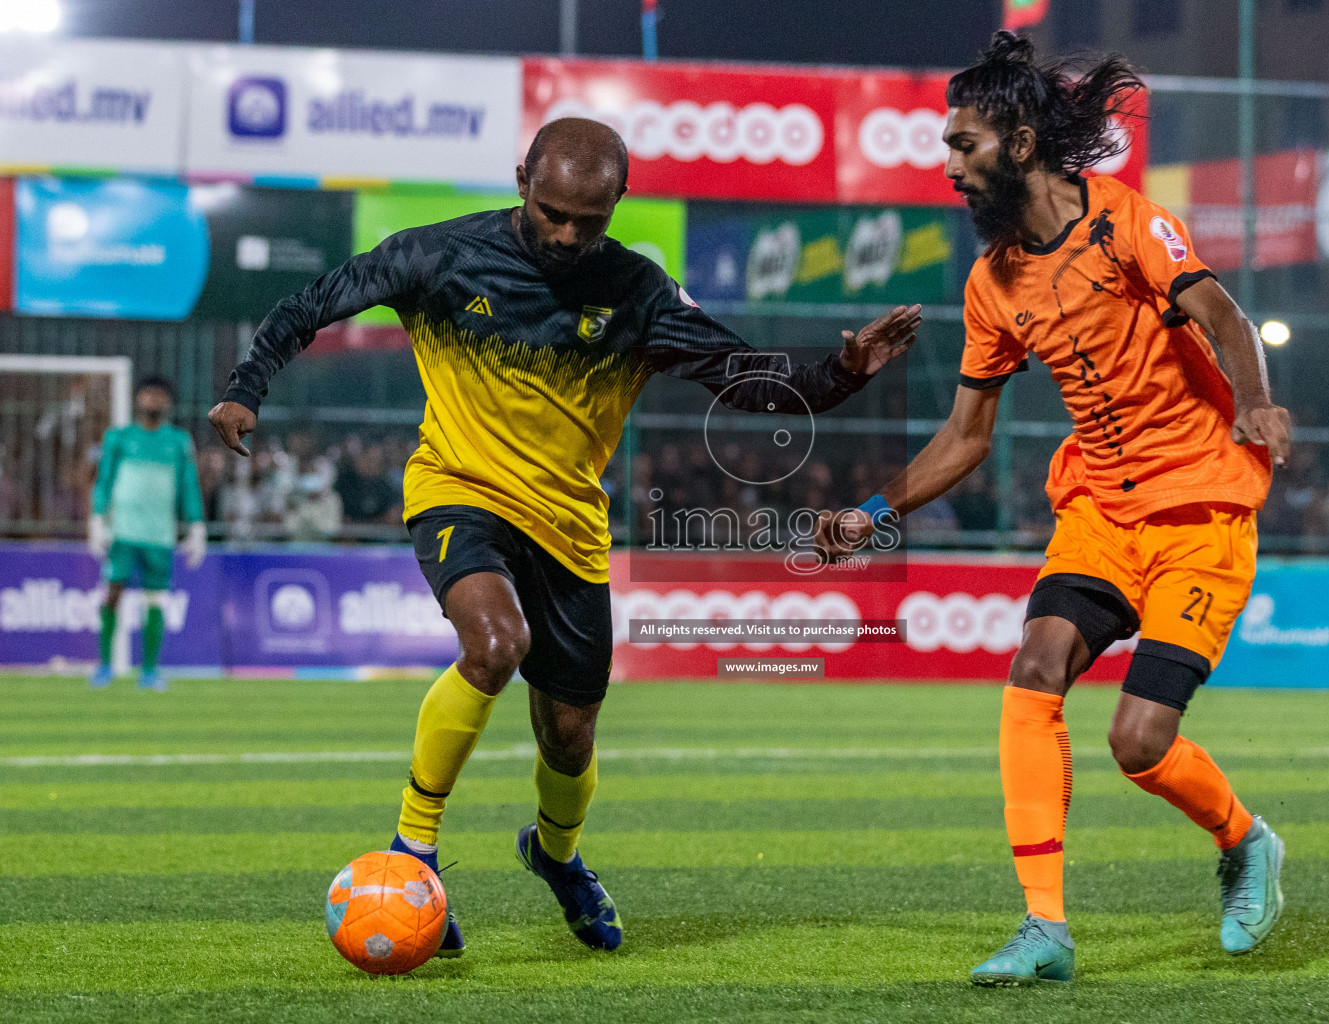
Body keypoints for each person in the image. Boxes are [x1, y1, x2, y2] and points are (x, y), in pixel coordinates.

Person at [207, 117, 920, 960]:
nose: (568, 234)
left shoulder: (640, 293)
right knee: (495, 642)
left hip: (571, 528)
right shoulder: (438, 255)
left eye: (590, 219)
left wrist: (840, 374)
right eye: (551, 212)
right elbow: (311, 303)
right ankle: (414, 851)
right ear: (521, 181)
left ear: (620, 200)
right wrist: (247, 385)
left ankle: (556, 855)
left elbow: (747, 380)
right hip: (458, 492)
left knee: (570, 734)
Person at [815, 32, 1291, 985]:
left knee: (1138, 743)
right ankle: (1045, 930)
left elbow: (1223, 314)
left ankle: (1247, 842)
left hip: (1199, 508)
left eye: (965, 147)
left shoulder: (1127, 226)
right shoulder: (991, 283)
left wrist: (1254, 400)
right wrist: (874, 512)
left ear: (1021, 145)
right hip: (1101, 513)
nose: (950, 166)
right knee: (1034, 668)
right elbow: (967, 437)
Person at [89, 376, 207, 692]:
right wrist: (97, 518)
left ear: (168, 403)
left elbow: (188, 486)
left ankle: (150, 671)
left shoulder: (179, 441)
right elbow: (104, 481)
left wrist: (196, 526)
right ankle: (104, 666)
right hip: (123, 532)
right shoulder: (119, 437)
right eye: (148, 395)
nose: (153, 401)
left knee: (155, 600)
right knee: (112, 593)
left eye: (159, 396)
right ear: (137, 399)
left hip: (159, 534)